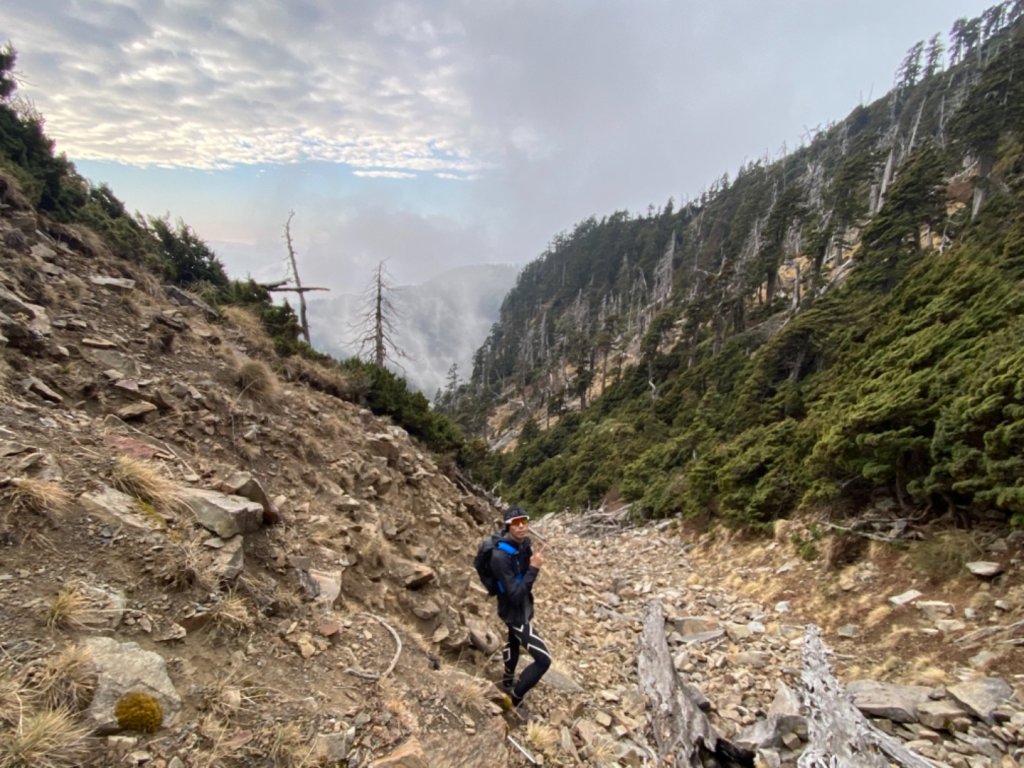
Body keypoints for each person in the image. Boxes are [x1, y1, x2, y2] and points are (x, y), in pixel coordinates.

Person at [489, 505, 551, 718]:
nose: (522, 526)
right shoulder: (499, 557)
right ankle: (514, 699)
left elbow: (522, 581)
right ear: (507, 527)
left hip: (521, 607)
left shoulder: (524, 545)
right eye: (516, 523)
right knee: (543, 660)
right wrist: (534, 568)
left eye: (524, 521)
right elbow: (515, 594)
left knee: (513, 642)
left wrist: (530, 563)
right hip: (513, 611)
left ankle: (507, 680)